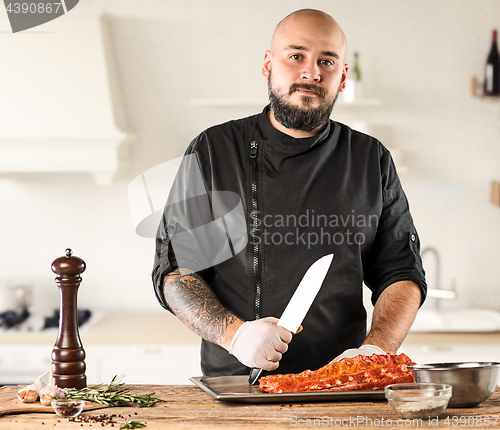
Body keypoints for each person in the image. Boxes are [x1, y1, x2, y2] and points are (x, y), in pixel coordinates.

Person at [152, 8, 426, 377]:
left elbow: (401, 273)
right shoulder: (215, 150)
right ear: (268, 64)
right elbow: (176, 272)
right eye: (296, 56)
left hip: (340, 383)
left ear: (342, 77)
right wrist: (236, 336)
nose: (311, 73)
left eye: (326, 61)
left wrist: (375, 351)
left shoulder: (369, 159)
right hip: (238, 386)